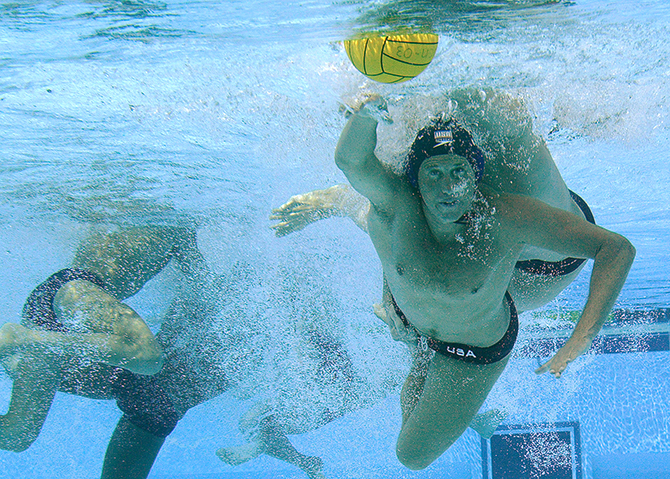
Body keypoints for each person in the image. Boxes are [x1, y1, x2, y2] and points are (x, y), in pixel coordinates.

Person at [273, 88, 635, 470]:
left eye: (460, 174)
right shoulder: (398, 206)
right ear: (416, 180)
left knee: (411, 457)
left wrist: (578, 341)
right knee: (392, 226)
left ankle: (422, 356)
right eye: (434, 174)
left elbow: (616, 249)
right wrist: (365, 112)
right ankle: (424, 356)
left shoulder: (504, 215)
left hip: (477, 340)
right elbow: (351, 160)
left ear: (475, 176)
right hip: (441, 295)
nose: (449, 188)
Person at [0, 225, 212, 455]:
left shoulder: (126, 220)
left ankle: (20, 349)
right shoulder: (178, 223)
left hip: (50, 303)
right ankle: (25, 340)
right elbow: (201, 283)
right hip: (75, 291)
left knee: (17, 434)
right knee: (147, 356)